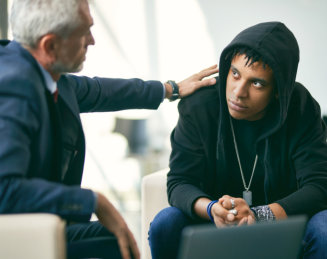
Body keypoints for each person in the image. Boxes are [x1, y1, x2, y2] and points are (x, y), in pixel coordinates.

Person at [0, 0, 218, 259]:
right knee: (115, 242)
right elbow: (5, 189)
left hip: (39, 226)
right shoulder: (14, 88)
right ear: (50, 45)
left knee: (116, 240)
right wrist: (92, 201)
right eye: (84, 31)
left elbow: (101, 91)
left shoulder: (38, 70)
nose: (92, 40)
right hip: (15, 236)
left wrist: (171, 89)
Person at [148, 21, 327, 259]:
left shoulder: (301, 108)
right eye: (234, 74)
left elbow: (318, 186)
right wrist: (213, 210)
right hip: (214, 225)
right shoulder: (198, 107)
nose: (238, 92)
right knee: (166, 222)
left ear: (278, 90)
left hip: (283, 226)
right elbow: (180, 182)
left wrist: (259, 215)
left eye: (256, 83)